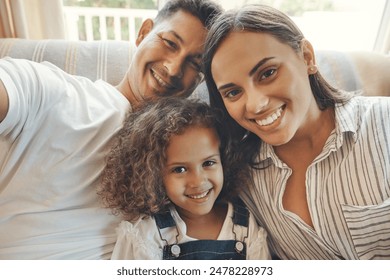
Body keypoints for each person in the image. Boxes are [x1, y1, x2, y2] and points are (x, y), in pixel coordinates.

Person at [0, 0, 223, 259]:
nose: (173, 69)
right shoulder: (54, 92)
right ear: (143, 33)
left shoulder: (191, 150)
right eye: (169, 43)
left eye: (194, 64)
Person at [202, 4, 390, 260]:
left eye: (267, 73)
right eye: (233, 92)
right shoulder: (238, 174)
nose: (256, 104)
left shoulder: (384, 122)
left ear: (307, 57)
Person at [98, 97, 270, 260]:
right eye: (179, 169)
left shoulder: (244, 227)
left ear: (224, 160)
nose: (198, 181)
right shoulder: (148, 235)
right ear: (153, 175)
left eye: (208, 163)